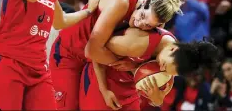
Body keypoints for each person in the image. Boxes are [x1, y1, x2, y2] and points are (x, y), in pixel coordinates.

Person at [50, 0, 183, 110]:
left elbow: (98, 53)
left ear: (159, 26)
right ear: (145, 3)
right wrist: (132, 67)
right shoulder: (121, 1)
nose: (139, 24)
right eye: (142, 16)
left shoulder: (157, 27)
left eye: (148, 25)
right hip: (69, 53)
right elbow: (93, 51)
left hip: (94, 60)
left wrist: (157, 98)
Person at [80, 27, 219, 110]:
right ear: (172, 48)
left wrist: (157, 99)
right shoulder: (139, 43)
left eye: (168, 72)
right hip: (101, 78)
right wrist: (104, 90)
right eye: (163, 65)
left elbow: (158, 101)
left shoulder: (172, 64)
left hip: (127, 90)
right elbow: (94, 48)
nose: (161, 69)